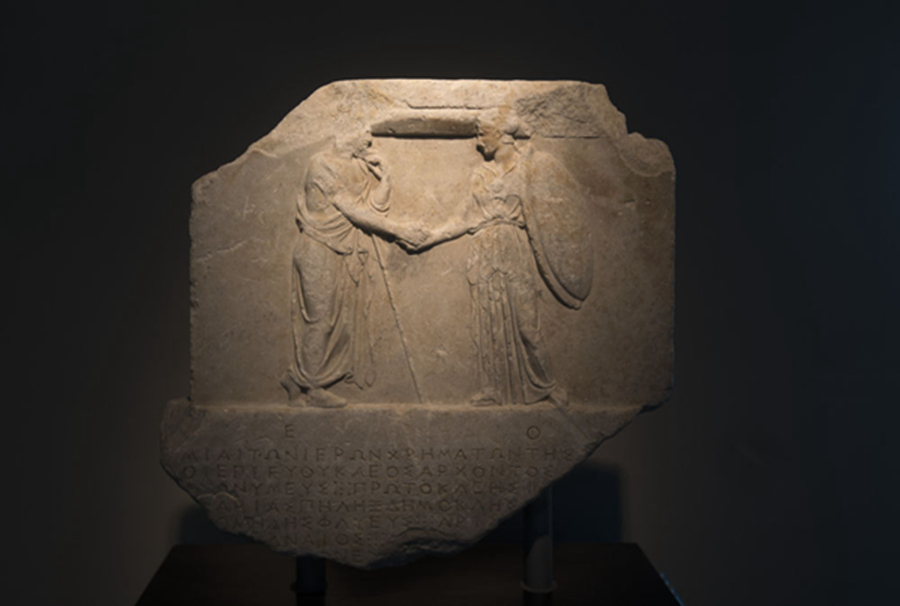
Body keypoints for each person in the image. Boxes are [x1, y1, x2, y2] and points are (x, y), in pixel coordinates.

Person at [412, 108, 584, 406]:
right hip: (485, 252)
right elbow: (465, 217)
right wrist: (431, 236)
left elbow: (551, 217)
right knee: (489, 323)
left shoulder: (529, 169)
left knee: (528, 325)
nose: (478, 142)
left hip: (514, 249)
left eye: (482, 134)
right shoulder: (480, 174)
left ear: (502, 135)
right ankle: (493, 388)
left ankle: (546, 385)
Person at [282, 131, 427, 407]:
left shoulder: (359, 167)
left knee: (342, 322)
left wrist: (386, 179)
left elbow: (372, 208)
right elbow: (351, 210)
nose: (369, 140)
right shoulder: (321, 164)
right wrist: (399, 230)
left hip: (345, 252)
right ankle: (311, 387)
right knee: (322, 320)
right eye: (364, 133)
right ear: (347, 132)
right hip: (319, 248)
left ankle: (297, 379)